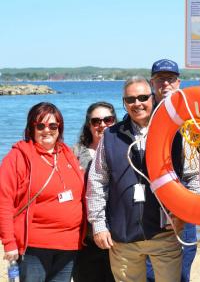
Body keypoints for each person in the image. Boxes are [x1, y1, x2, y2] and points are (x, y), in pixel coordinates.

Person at [86, 76, 184, 282]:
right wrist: (99, 225)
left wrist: (183, 213)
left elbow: (193, 175)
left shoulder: (175, 132)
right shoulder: (111, 136)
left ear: (153, 98)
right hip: (123, 237)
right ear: (124, 103)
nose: (137, 104)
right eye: (130, 100)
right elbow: (97, 181)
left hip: (164, 233)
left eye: (142, 97)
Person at [0, 102, 85, 282]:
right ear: (32, 127)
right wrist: (9, 243)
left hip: (69, 244)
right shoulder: (18, 156)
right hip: (34, 246)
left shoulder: (66, 152)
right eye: (40, 125)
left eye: (53, 125)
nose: (47, 130)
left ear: (59, 128)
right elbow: (4, 201)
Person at [150, 58, 200, 282]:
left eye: (170, 79)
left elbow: (198, 167)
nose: (165, 85)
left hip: (182, 204)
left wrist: (192, 206)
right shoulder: (141, 113)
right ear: (152, 83)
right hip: (150, 207)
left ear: (178, 82)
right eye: (160, 80)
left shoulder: (192, 114)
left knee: (182, 269)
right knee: (150, 271)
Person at [72, 102, 117, 282]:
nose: (102, 125)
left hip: (118, 237)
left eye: (108, 119)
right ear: (88, 125)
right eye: (96, 121)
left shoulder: (125, 149)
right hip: (85, 238)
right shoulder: (74, 153)